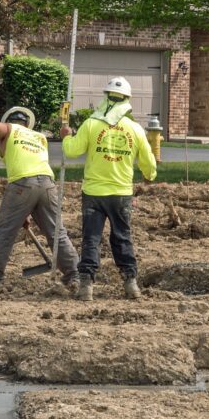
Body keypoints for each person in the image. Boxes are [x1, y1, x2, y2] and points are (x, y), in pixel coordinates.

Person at [60, 76, 158, 300]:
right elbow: (149, 163)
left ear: (106, 97)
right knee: (122, 237)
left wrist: (66, 137)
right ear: (128, 100)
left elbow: (73, 151)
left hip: (94, 193)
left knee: (91, 238)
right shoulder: (134, 129)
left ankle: (86, 286)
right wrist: (149, 175)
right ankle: (130, 283)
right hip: (121, 194)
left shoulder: (92, 124)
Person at [0, 104, 78, 293]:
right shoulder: (39, 137)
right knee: (57, 232)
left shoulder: (10, 129)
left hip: (22, 184)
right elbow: (35, 172)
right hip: (47, 185)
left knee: (5, 232)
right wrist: (25, 212)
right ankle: (75, 275)